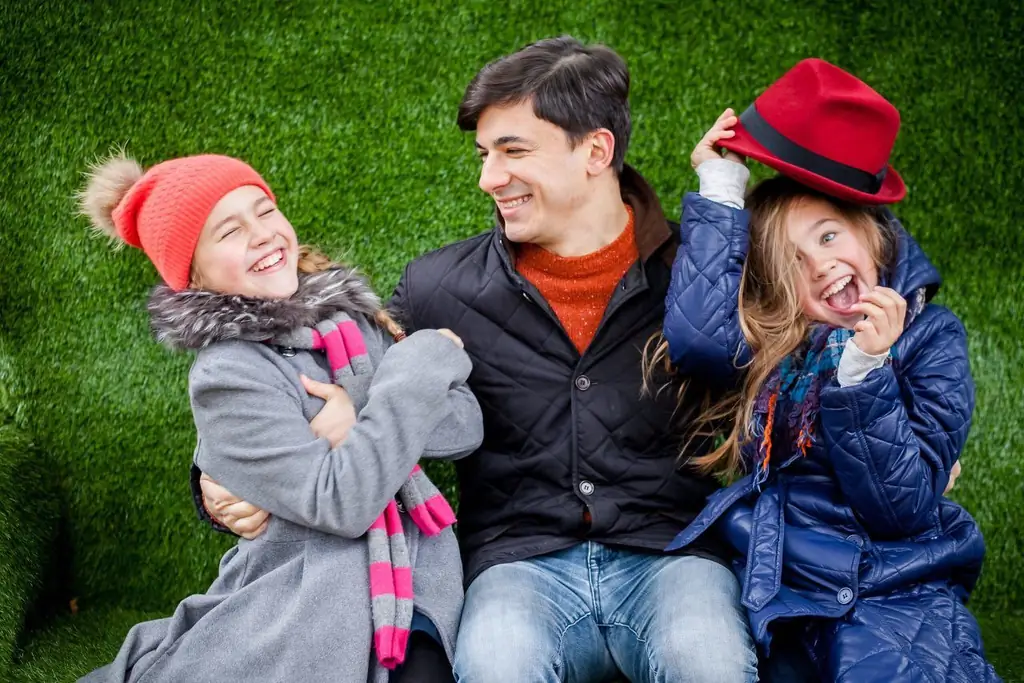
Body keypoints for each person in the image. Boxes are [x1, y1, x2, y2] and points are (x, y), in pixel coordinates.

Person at [200, 36, 759, 682]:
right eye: (485, 155)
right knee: (496, 665)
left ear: (596, 152)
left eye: (513, 152)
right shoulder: (441, 287)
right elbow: (325, 372)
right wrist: (214, 475)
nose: (488, 179)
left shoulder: (695, 275)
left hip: (674, 550)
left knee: (711, 662)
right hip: (516, 562)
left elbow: (784, 387)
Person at [77, 151, 482, 682]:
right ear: (195, 276)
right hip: (310, 596)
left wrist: (358, 411)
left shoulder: (350, 322)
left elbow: (465, 426)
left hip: (417, 577)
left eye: (264, 211)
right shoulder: (228, 374)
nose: (261, 233)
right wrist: (421, 361)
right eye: (229, 231)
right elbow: (343, 503)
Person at [659, 58, 1000, 682]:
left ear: (874, 238)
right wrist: (721, 187)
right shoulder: (779, 340)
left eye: (828, 237)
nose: (818, 267)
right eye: (792, 260)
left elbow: (901, 509)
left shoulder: (931, 338)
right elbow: (698, 341)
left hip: (891, 586)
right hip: (776, 583)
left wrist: (867, 376)